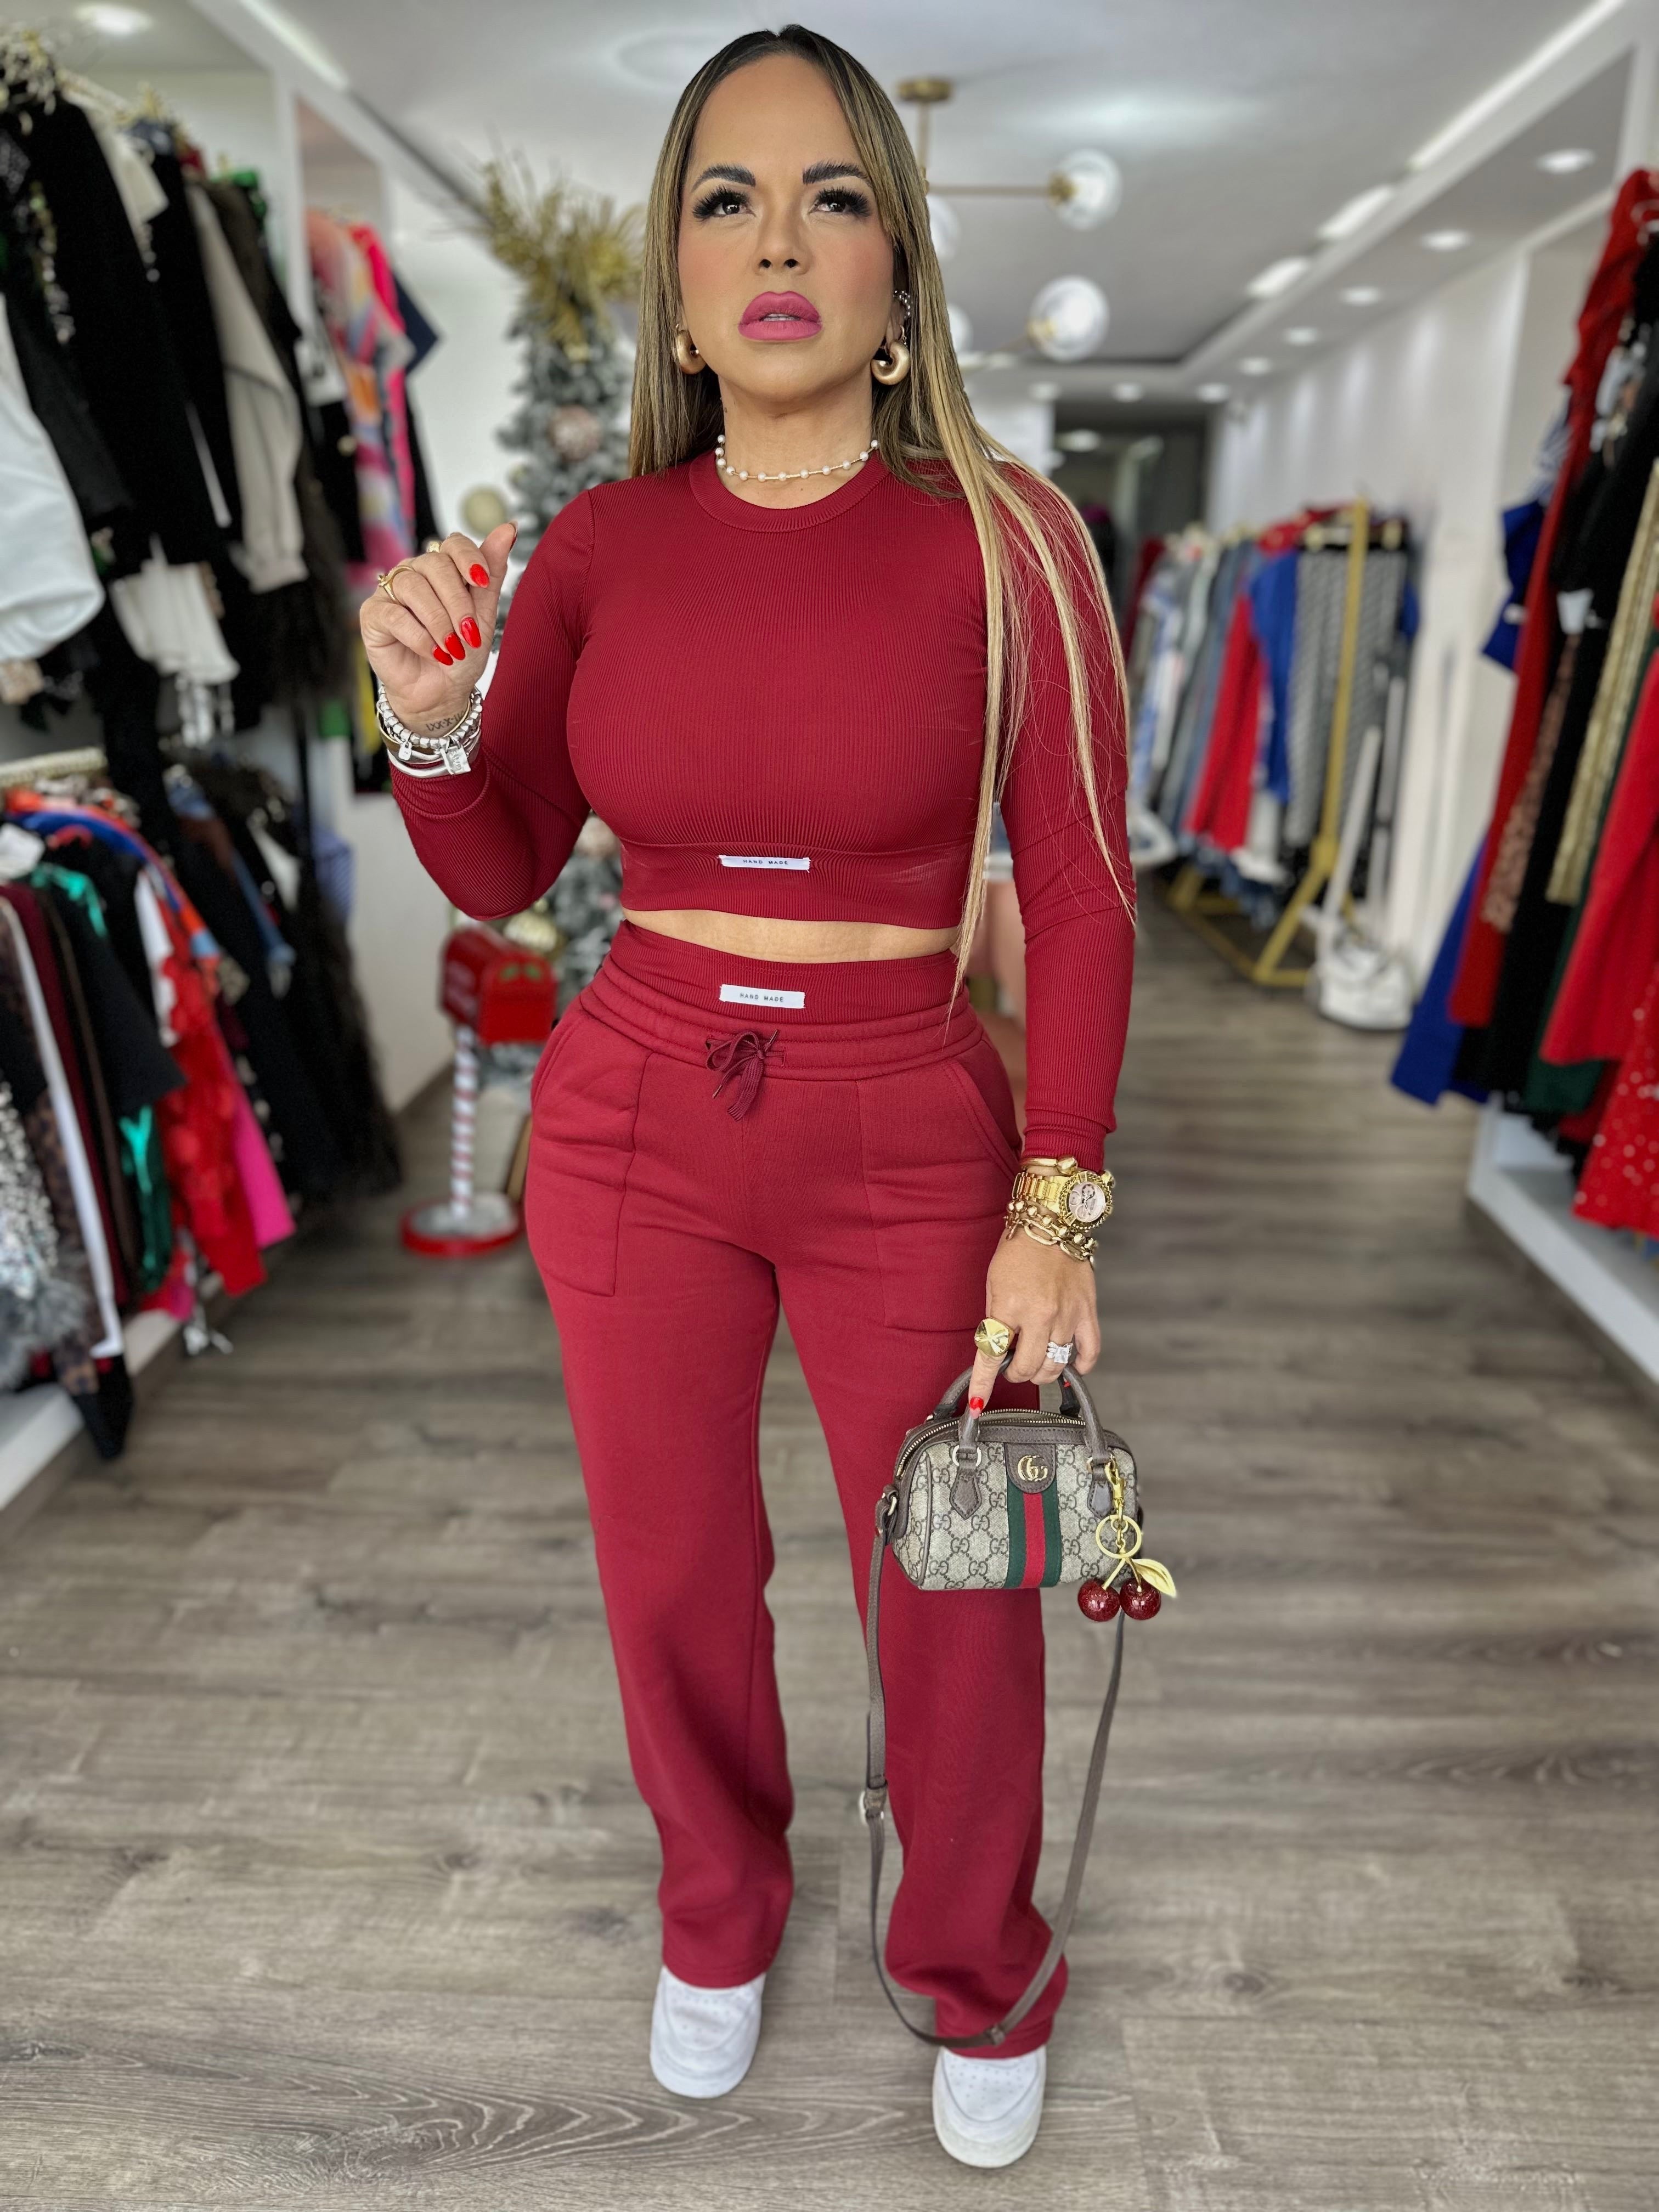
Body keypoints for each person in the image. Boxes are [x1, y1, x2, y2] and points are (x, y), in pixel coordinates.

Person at [358, 23, 1135, 2170]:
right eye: (727, 201)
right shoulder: (603, 547)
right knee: (671, 1566)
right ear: (679, 286)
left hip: (909, 1127)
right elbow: (504, 864)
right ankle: (719, 1911)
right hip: (638, 1114)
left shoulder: (1012, 540)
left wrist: (1056, 1209)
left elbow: (1082, 896)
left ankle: (980, 1962)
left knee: (956, 1576)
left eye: (832, 199)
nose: (778, 243)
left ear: (899, 277)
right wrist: (428, 719)